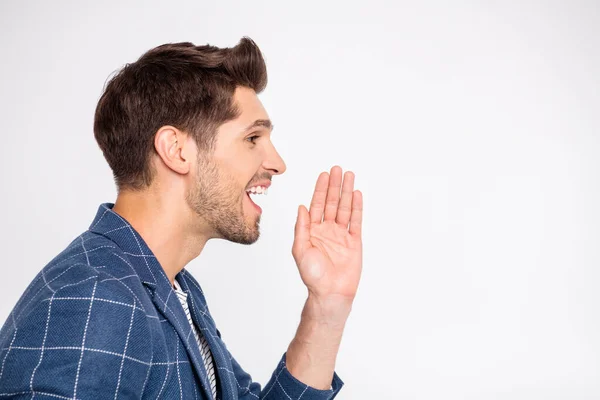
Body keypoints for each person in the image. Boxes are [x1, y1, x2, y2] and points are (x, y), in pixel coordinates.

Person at [0, 37, 363, 399]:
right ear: (176, 150)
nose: (277, 163)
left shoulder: (174, 289)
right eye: (253, 137)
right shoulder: (97, 299)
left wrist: (326, 307)